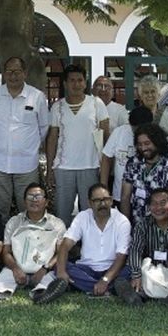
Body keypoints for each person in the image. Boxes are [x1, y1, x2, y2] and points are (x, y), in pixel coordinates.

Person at [0, 56, 49, 219]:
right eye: (9, 72)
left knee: (28, 209)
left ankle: (24, 242)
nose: (13, 75)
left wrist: (28, 147)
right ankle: (0, 243)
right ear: (4, 74)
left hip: (27, 165)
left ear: (25, 73)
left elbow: (44, 128)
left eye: (17, 71)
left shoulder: (37, 97)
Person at [45, 64, 111, 220]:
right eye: (72, 80)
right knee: (62, 214)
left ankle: (89, 244)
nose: (76, 84)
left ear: (85, 83)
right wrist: (49, 168)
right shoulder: (57, 107)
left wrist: (105, 167)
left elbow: (106, 136)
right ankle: (64, 243)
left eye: (80, 80)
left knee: (90, 214)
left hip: (90, 166)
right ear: (65, 84)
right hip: (63, 168)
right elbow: (52, 139)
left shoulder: (96, 103)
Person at [47, 183, 130, 302]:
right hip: (86, 269)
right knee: (61, 266)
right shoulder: (82, 217)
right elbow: (65, 245)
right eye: (97, 200)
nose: (103, 204)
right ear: (90, 203)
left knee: (130, 270)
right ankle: (112, 288)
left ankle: (82, 286)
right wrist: (61, 271)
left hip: (112, 270)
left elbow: (122, 256)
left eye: (106, 199)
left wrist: (105, 279)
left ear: (111, 201)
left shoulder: (122, 221)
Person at [0, 184, 66, 300]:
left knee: (51, 281)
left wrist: (45, 268)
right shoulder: (14, 222)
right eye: (30, 196)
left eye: (38, 196)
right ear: (24, 201)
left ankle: (41, 295)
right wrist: (15, 269)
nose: (34, 200)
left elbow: (61, 253)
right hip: (16, 270)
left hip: (45, 271)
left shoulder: (57, 224)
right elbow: (6, 252)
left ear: (46, 202)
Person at [120, 187, 168, 305]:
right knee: (121, 279)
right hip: (150, 270)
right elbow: (135, 250)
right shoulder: (143, 224)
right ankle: (136, 299)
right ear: (149, 207)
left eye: (163, 203)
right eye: (154, 204)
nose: (158, 208)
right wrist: (136, 275)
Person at [119, 122, 168, 222]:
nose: (143, 148)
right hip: (136, 226)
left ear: (157, 142)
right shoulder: (133, 163)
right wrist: (125, 226)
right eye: (140, 144)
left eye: (147, 143)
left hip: (161, 227)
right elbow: (125, 197)